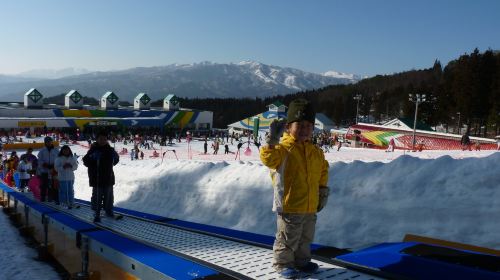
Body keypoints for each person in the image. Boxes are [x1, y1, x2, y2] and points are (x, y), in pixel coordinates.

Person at [260, 98, 330, 278]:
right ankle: (283, 263)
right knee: (288, 238)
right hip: (289, 204)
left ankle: (301, 261)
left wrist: (322, 191)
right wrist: (272, 140)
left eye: (308, 126)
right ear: (288, 127)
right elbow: (268, 159)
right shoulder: (283, 149)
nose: (304, 130)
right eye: (299, 125)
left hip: (310, 204)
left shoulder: (316, 151)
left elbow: (323, 170)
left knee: (305, 238)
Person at [83, 130, 120, 222]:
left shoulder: (110, 150)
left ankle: (108, 210)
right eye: (100, 139)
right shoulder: (93, 149)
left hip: (108, 177)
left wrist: (115, 157)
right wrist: (92, 158)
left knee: (109, 196)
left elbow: (115, 161)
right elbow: (85, 161)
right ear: (97, 139)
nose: (102, 141)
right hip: (97, 178)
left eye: (104, 139)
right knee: (97, 196)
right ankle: (96, 211)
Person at [37, 136, 60, 203]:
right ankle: (43, 197)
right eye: (47, 142)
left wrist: (54, 165)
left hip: (54, 171)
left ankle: (55, 198)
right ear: (45, 142)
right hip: (44, 171)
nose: (48, 143)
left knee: (54, 185)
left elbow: (59, 159)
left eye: (49, 141)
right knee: (44, 185)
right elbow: (39, 160)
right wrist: (44, 165)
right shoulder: (42, 151)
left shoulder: (56, 150)